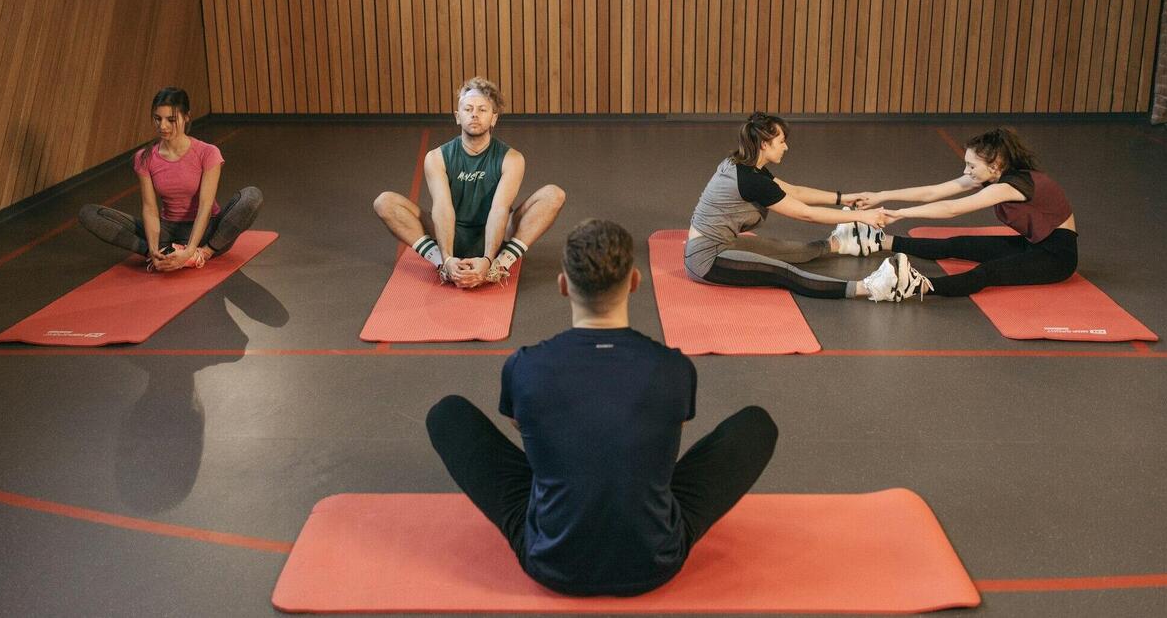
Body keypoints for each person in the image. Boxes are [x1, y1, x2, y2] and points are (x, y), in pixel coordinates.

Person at [426, 219, 778, 596]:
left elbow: (519, 424)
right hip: (655, 561)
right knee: (757, 425)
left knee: (447, 413)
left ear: (563, 285)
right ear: (634, 282)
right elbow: (666, 431)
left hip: (550, 561)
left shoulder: (525, 365)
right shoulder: (673, 366)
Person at [685, 111, 929, 302]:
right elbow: (806, 214)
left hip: (719, 244)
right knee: (783, 273)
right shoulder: (751, 180)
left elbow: (795, 191)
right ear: (764, 144)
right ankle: (874, 287)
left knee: (791, 250)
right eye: (781, 141)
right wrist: (863, 216)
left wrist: (843, 198)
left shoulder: (745, 165)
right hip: (707, 260)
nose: (786, 147)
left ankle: (842, 243)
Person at [835, 127, 1078, 298]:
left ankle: (917, 286)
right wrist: (882, 195)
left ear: (995, 166)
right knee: (957, 244)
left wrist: (900, 213)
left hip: (1057, 258)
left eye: (972, 166)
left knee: (986, 273)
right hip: (1032, 245)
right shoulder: (993, 176)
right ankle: (879, 241)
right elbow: (933, 192)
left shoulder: (1010, 187)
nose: (967, 171)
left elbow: (951, 209)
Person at [373, 77, 565, 287]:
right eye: (468, 109)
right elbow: (443, 209)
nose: (475, 114)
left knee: (553, 194)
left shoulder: (512, 159)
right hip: (449, 233)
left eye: (483, 109)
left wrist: (488, 259)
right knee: (385, 202)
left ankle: (499, 266)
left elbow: (499, 210)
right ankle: (442, 265)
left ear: (493, 118)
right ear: (458, 116)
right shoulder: (436, 157)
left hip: (495, 234)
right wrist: (447, 258)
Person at [78, 87, 262, 271]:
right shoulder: (144, 157)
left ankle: (203, 253)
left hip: (207, 233)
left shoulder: (208, 152)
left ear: (186, 117)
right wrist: (151, 249)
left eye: (171, 120)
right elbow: (149, 208)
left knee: (252, 196)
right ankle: (159, 255)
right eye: (158, 119)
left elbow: (205, 205)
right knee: (89, 213)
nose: (163, 126)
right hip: (167, 232)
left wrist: (191, 250)